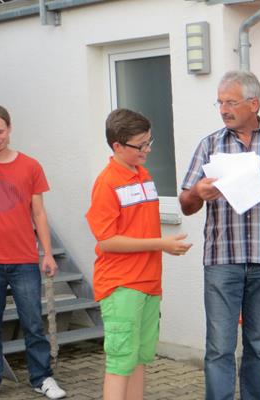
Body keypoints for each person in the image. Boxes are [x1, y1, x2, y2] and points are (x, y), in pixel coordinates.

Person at [179, 70, 260, 400]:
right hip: (222, 261)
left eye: (231, 102)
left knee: (259, 346)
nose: (223, 110)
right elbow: (185, 205)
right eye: (220, 102)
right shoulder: (209, 145)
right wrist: (197, 192)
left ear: (254, 104)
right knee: (219, 347)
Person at [0, 104, 66, 400]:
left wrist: (47, 253)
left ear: (10, 128)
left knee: (32, 323)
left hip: (24, 259)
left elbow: (39, 213)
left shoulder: (30, 166)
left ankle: (42, 378)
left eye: (0, 131)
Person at [85, 108, 192, 400]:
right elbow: (107, 241)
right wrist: (161, 244)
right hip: (121, 285)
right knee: (120, 362)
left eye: (149, 142)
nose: (147, 149)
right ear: (117, 146)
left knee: (139, 359)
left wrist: (161, 245)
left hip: (149, 282)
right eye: (140, 145)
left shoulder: (143, 175)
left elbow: (140, 229)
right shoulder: (107, 182)